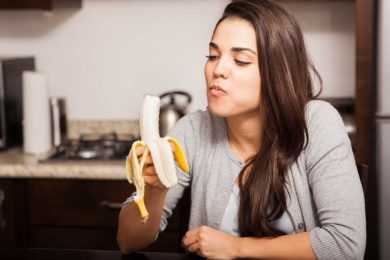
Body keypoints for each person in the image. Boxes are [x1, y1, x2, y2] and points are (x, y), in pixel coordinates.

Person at [117, 0, 366, 259]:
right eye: (213, 56)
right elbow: (128, 241)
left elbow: (345, 246)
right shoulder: (192, 129)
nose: (218, 69)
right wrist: (156, 190)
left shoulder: (317, 123)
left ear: (277, 72)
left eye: (241, 60)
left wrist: (236, 247)